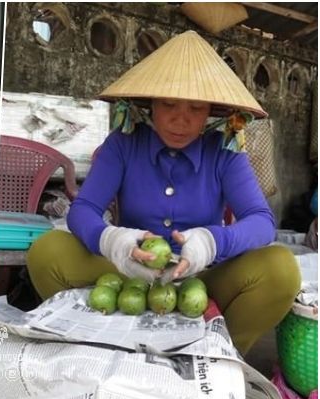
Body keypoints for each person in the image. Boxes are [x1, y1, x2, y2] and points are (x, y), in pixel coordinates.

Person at [26, 31, 300, 355]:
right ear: (150, 102)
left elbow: (262, 221)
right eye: (168, 103)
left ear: (211, 110)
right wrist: (114, 242)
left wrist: (211, 243)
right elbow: (83, 209)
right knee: (47, 251)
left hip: (201, 278)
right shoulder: (124, 143)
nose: (180, 120)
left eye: (196, 108)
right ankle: (97, 347)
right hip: (128, 274)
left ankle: (217, 355)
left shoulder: (224, 152)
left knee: (281, 268)